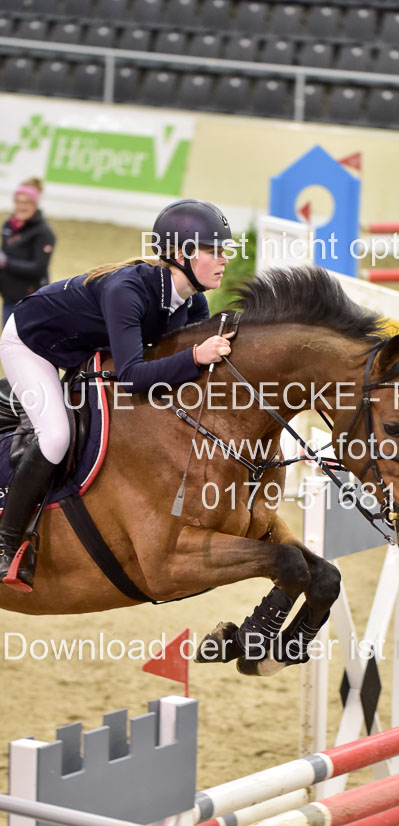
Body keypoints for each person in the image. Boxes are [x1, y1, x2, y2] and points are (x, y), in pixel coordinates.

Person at [0, 198, 235, 591]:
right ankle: (6, 543)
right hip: (30, 344)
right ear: (182, 255)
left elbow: (182, 378)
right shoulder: (127, 290)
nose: (224, 259)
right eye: (214, 251)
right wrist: (196, 356)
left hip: (81, 350)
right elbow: (131, 377)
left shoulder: (194, 302)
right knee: (56, 436)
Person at [0, 178, 56, 327]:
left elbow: (38, 268)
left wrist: (6, 263)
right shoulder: (8, 225)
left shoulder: (44, 232)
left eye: (26, 202)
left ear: (35, 204)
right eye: (18, 201)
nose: (21, 206)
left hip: (30, 299)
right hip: (8, 296)